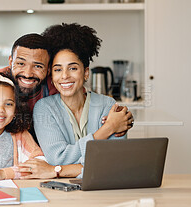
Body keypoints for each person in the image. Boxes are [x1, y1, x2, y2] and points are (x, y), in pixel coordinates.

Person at [0, 33, 133, 178]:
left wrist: (119, 118)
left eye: (38, 66)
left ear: (47, 70)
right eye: (20, 63)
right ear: (10, 61)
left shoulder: (57, 87)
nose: (28, 73)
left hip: (41, 172)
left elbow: (112, 157)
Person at [20, 23, 133, 179]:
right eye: (58, 69)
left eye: (73, 68)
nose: (65, 76)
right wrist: (108, 129)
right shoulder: (44, 108)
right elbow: (57, 157)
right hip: (59, 192)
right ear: (51, 76)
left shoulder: (108, 106)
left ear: (86, 72)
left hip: (104, 188)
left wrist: (56, 170)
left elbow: (114, 163)